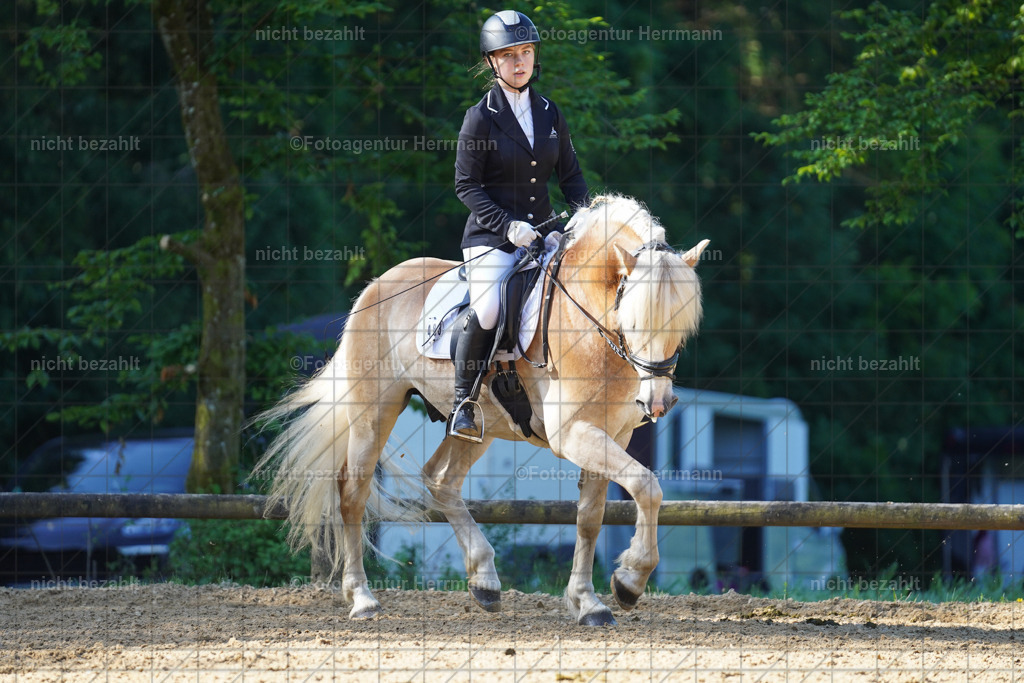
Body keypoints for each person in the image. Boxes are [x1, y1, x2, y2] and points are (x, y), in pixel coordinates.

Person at [450, 9, 589, 441]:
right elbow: (466, 186)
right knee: (489, 308)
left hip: (544, 235)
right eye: (508, 55)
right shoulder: (480, 116)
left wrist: (583, 218)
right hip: (492, 238)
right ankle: (464, 402)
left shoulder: (550, 113)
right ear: (492, 62)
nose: (520, 62)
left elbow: (571, 177)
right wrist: (509, 227)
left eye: (526, 52)